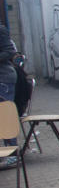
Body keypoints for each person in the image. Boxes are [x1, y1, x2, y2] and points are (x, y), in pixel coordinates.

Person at [0, 25, 19, 167]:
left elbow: (10, 51)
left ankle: (13, 155)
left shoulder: (0, 29)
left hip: (3, 78)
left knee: (6, 116)